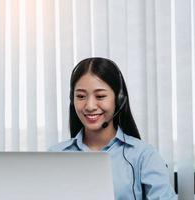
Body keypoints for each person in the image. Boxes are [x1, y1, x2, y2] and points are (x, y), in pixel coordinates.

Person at [49, 57, 176, 200]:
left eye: (100, 96)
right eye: (81, 96)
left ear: (119, 99)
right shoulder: (54, 155)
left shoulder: (144, 156)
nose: (90, 106)